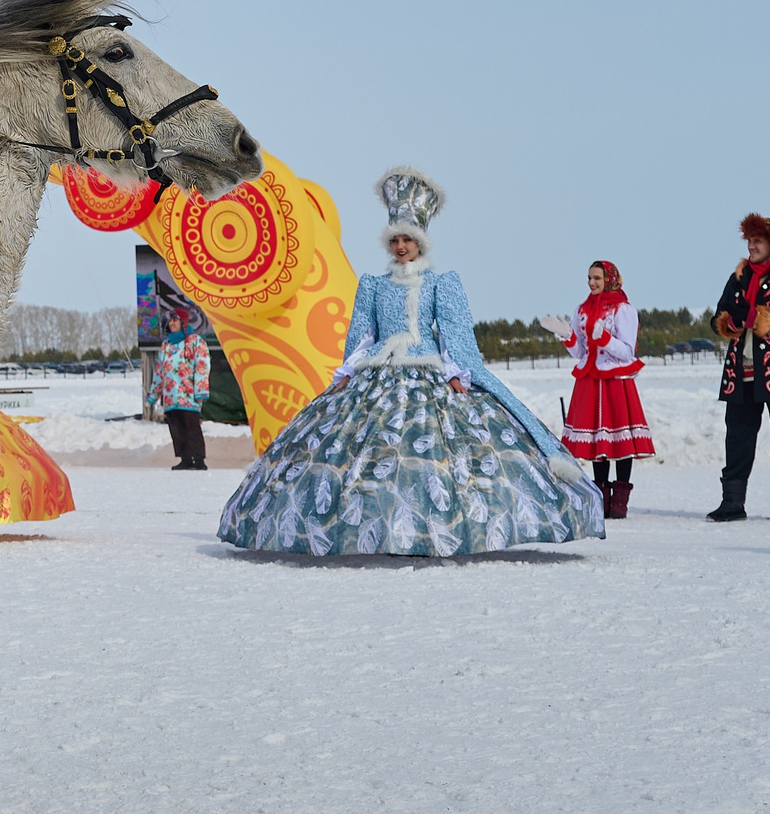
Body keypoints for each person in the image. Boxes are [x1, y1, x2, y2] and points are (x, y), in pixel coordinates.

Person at [219, 168, 602, 556]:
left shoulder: (440, 283)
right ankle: (377, 527)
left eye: (408, 240)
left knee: (431, 455)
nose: (401, 246)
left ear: (421, 243)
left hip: (428, 373)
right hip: (376, 376)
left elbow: (455, 337)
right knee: (372, 453)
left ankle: (432, 529)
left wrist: (458, 373)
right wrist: (346, 374)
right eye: (396, 240)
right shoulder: (373, 285)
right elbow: (361, 339)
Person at [708, 214, 770, 524]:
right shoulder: (737, 278)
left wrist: (762, 319)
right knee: (737, 438)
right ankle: (732, 503)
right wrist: (729, 322)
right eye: (749, 241)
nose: (750, 246)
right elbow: (717, 317)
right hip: (741, 374)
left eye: (757, 241)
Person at [544, 260, 651, 519]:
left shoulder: (623, 309)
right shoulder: (582, 309)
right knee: (596, 441)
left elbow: (627, 350)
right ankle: (602, 498)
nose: (592, 283)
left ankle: (620, 501)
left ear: (610, 280)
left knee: (619, 441)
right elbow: (580, 351)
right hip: (590, 380)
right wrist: (567, 336)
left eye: (597, 279)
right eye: (590, 278)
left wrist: (605, 339)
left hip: (615, 381)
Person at [154, 307, 210, 470]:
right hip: (171, 396)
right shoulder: (166, 345)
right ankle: (185, 458)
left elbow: (202, 366)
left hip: (188, 394)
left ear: (183, 322)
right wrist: (154, 394)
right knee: (176, 428)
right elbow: (160, 371)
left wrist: (201, 390)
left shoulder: (195, 342)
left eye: (175, 320)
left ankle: (198, 459)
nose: (171, 323)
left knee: (191, 426)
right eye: (170, 321)